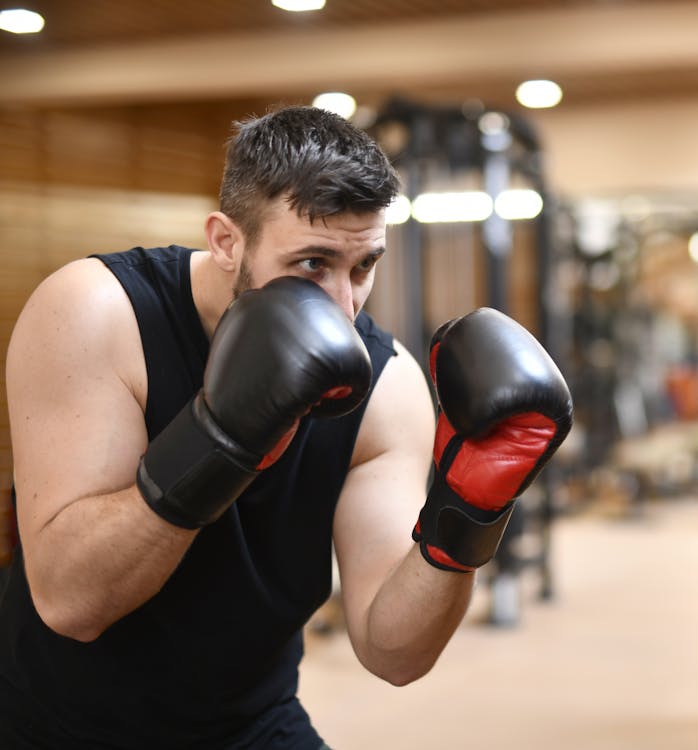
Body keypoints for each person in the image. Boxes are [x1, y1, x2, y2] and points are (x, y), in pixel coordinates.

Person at [0, 105, 572, 749]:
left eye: (363, 267)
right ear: (225, 241)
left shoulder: (384, 386)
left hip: (252, 724)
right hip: (55, 725)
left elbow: (394, 653)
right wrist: (221, 440)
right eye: (312, 265)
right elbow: (70, 604)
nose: (343, 306)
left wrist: (468, 513)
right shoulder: (98, 312)